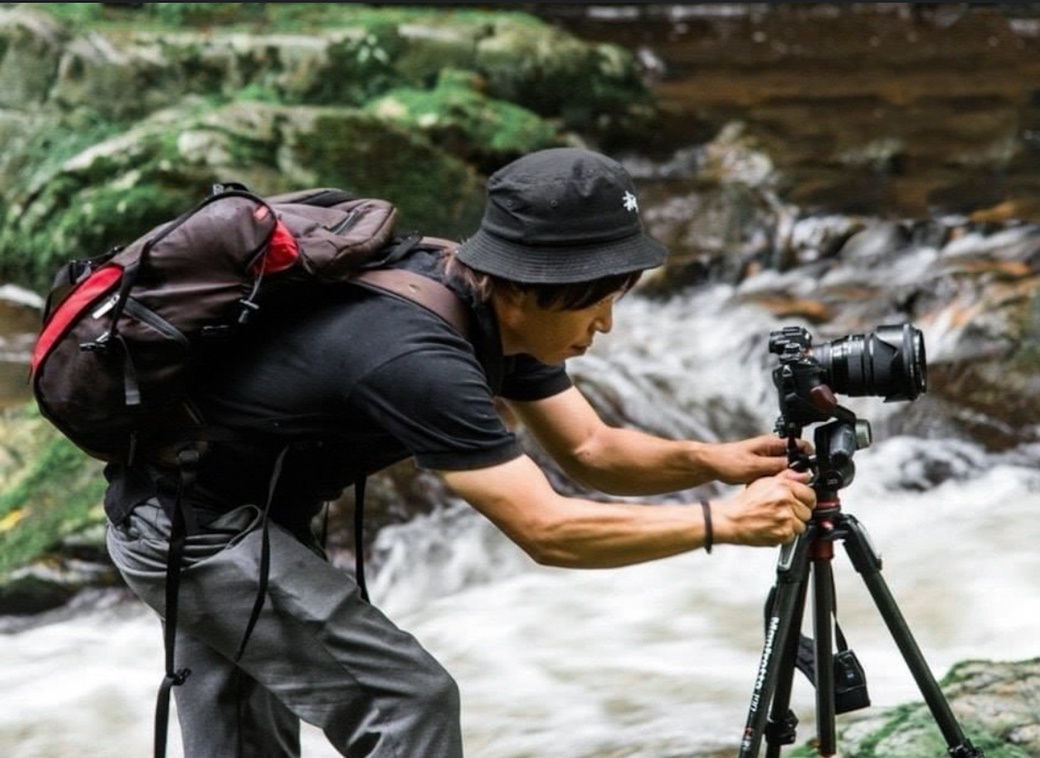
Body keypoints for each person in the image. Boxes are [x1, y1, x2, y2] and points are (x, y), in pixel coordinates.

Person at [104, 147, 816, 757]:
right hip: (192, 530)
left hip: (244, 518)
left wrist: (712, 461)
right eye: (597, 299)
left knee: (244, 739)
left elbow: (593, 449)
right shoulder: (413, 353)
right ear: (535, 286)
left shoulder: (490, 309)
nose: (605, 323)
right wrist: (721, 523)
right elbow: (548, 529)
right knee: (407, 700)